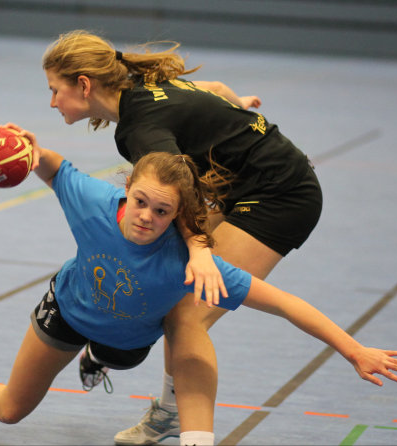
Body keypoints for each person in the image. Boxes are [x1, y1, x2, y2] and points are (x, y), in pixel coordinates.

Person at [0, 142, 397, 446]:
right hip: (67, 313)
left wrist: (353, 349)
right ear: (127, 187)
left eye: (162, 212)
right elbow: (53, 166)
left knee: (120, 355)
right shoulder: (93, 203)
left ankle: (99, 356)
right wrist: (26, 147)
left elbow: (285, 304)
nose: (145, 217)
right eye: (140, 201)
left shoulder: (190, 265)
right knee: (12, 410)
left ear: (178, 215)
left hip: (128, 340)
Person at [39, 30, 324, 443]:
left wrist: (200, 250)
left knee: (187, 314)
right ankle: (116, 357)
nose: (51, 102)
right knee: (174, 293)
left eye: (54, 90)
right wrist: (234, 116)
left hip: (281, 196)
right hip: (245, 185)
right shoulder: (143, 87)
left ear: (84, 84)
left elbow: (183, 190)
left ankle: (176, 418)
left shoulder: (141, 130)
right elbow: (216, 89)